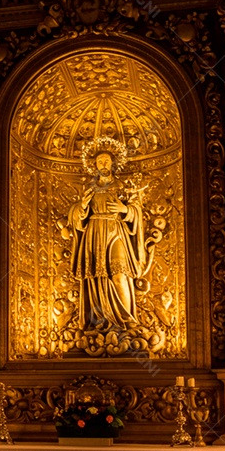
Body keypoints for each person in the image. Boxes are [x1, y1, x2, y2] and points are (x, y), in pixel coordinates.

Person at [66, 137, 152, 332]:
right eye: (99, 161)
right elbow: (75, 217)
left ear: (113, 163)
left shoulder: (123, 186)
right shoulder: (88, 188)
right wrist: (82, 206)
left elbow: (137, 211)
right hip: (94, 233)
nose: (103, 164)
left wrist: (125, 209)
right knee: (95, 277)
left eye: (106, 160)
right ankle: (98, 320)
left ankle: (126, 320)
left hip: (115, 231)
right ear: (94, 165)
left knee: (120, 274)